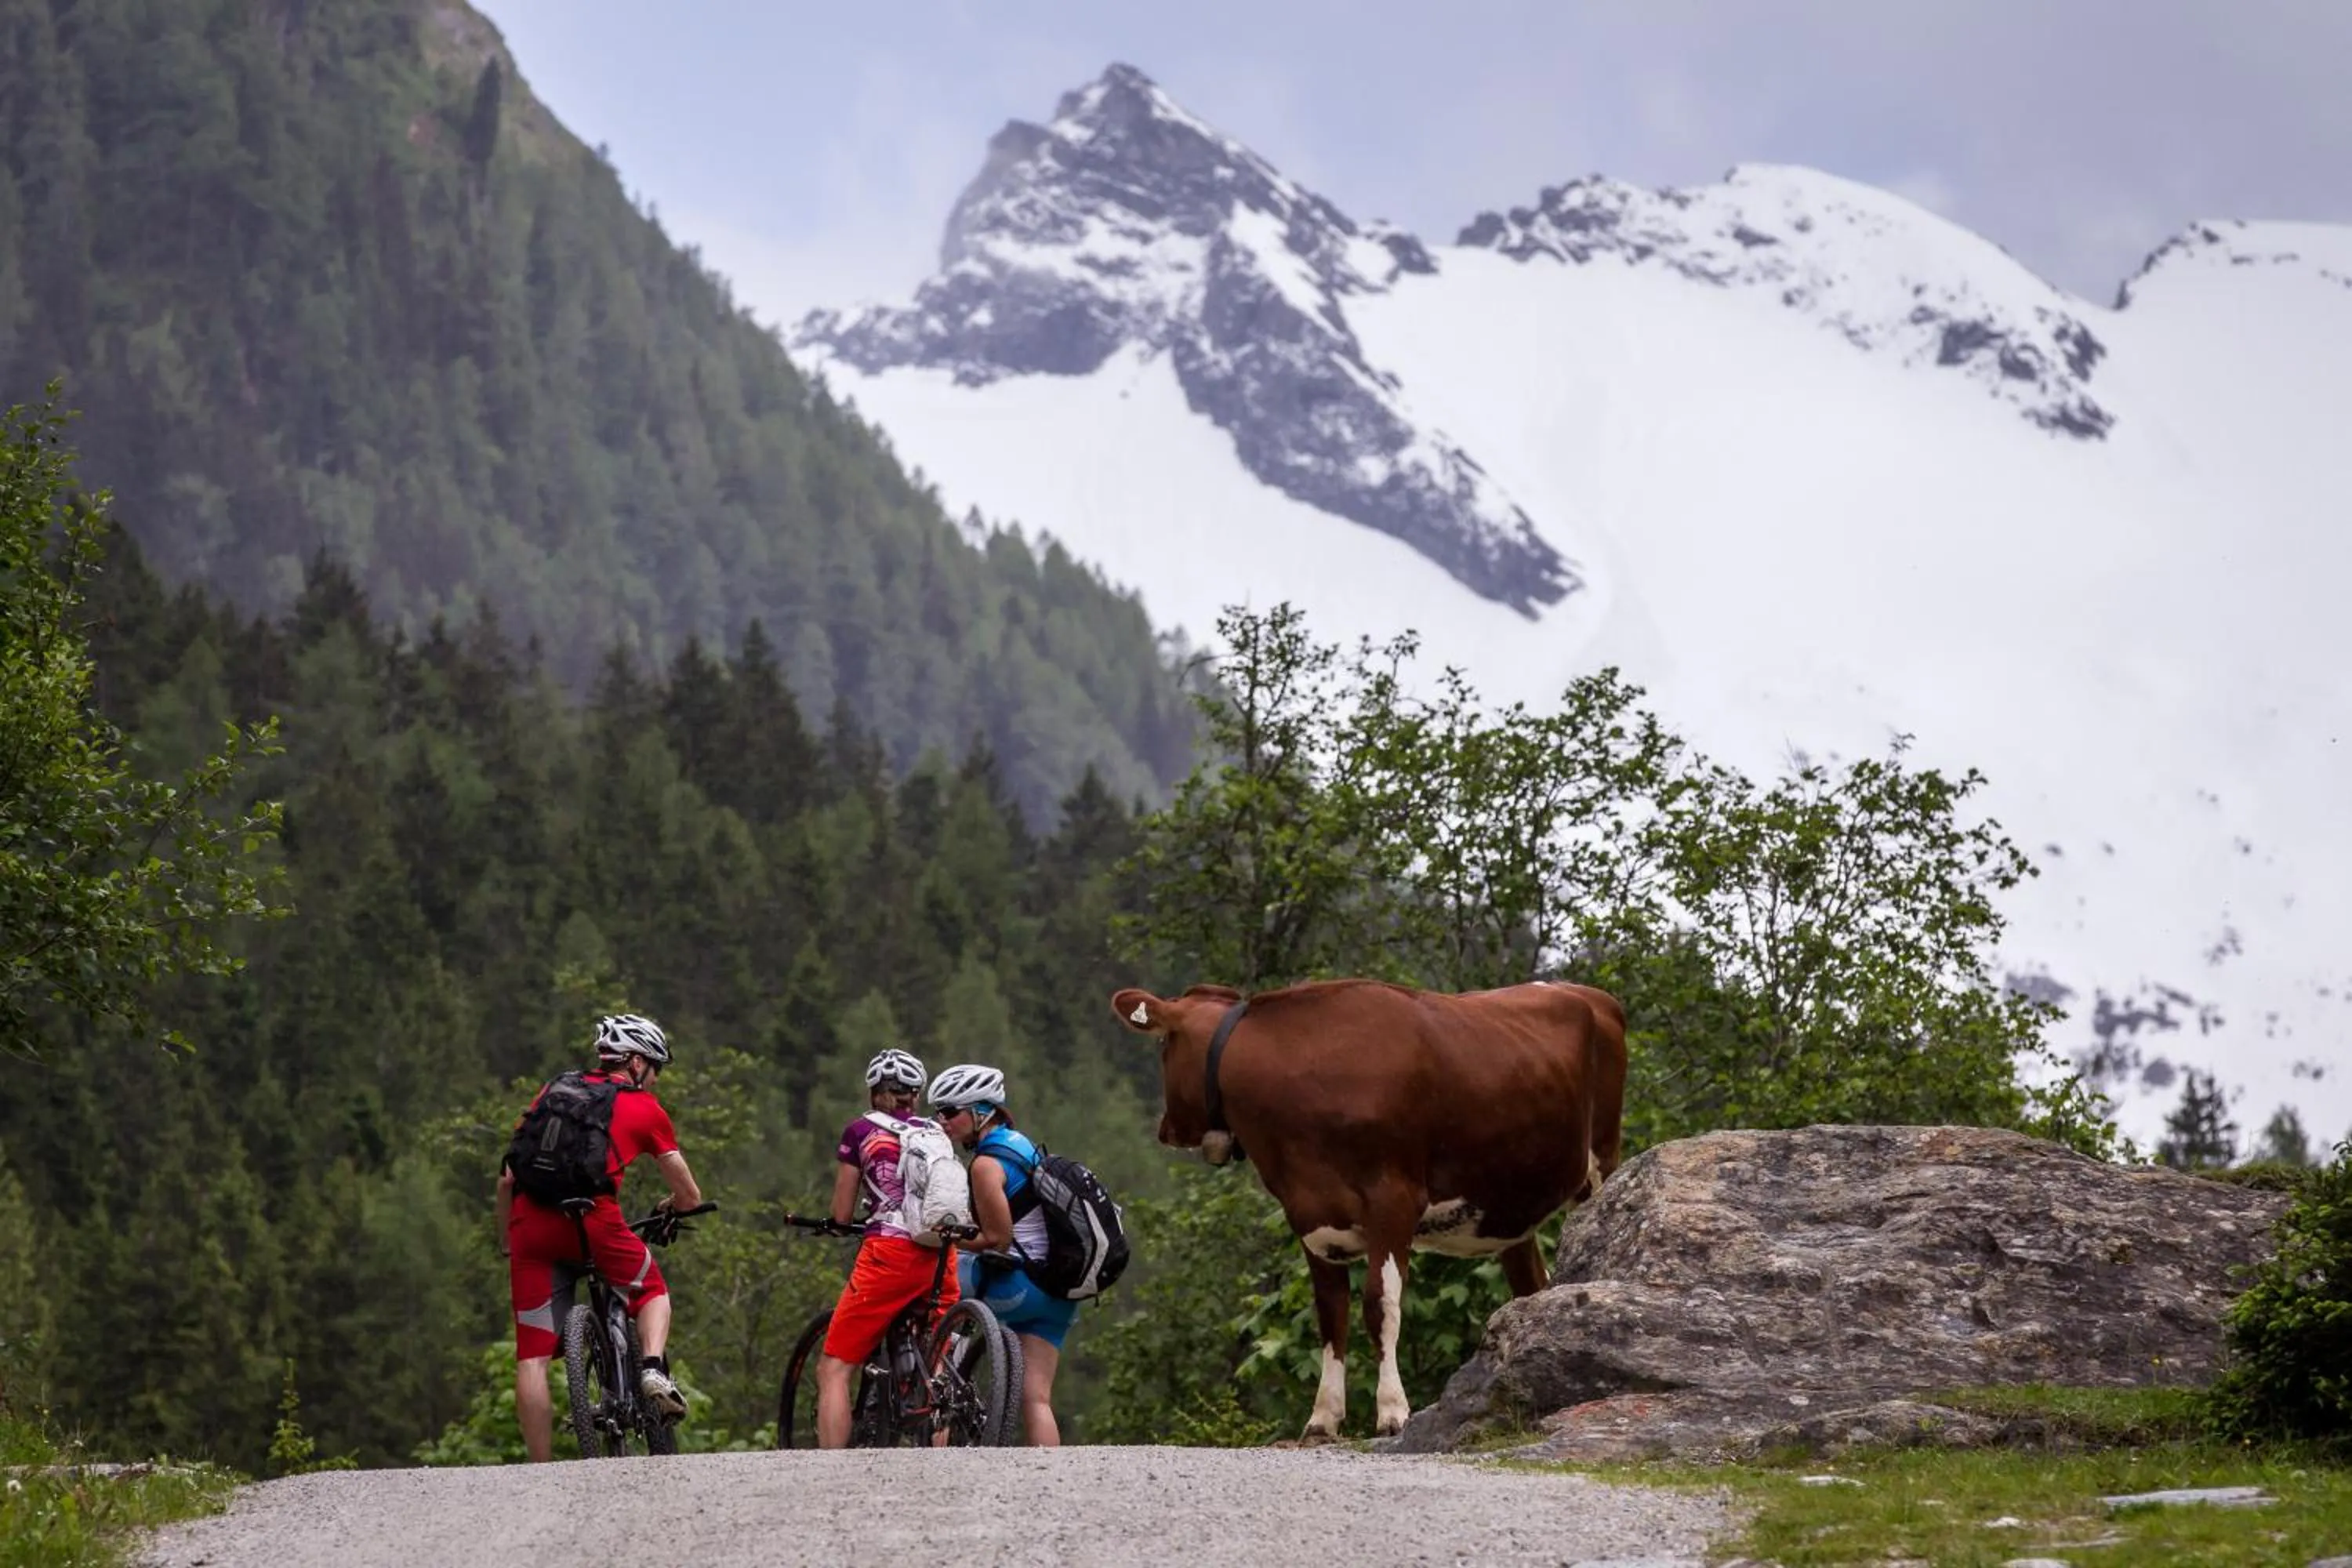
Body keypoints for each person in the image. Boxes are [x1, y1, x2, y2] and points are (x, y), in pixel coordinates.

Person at [495, 1013, 704, 1462]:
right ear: (633, 1062)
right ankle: (650, 1370)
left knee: (531, 1356)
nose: (654, 1078)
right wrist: (676, 1206)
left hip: (529, 1223)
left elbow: (509, 1177)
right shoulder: (643, 1108)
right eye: (653, 1067)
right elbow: (689, 1193)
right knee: (652, 1290)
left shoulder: (554, 1090)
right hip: (593, 1221)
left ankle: (540, 1468)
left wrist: (508, 1241)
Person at [814, 1047, 961, 1449]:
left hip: (889, 1255)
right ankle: (942, 1459)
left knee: (835, 1369)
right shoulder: (936, 1132)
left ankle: (828, 1469)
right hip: (941, 1255)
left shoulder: (860, 1131)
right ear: (916, 1093)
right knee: (938, 1372)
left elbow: (843, 1213)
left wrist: (840, 1223)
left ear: (876, 1091)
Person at [927, 1063, 1080, 1446]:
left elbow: (998, 1238)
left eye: (949, 1112)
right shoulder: (1023, 1145)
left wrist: (948, 1238)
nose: (941, 1121)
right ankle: (1048, 1482)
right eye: (937, 1112)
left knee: (936, 1276)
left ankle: (938, 1402)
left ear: (981, 1112)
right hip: (1058, 1292)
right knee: (1037, 1399)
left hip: (1018, 1285)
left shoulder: (984, 1165)